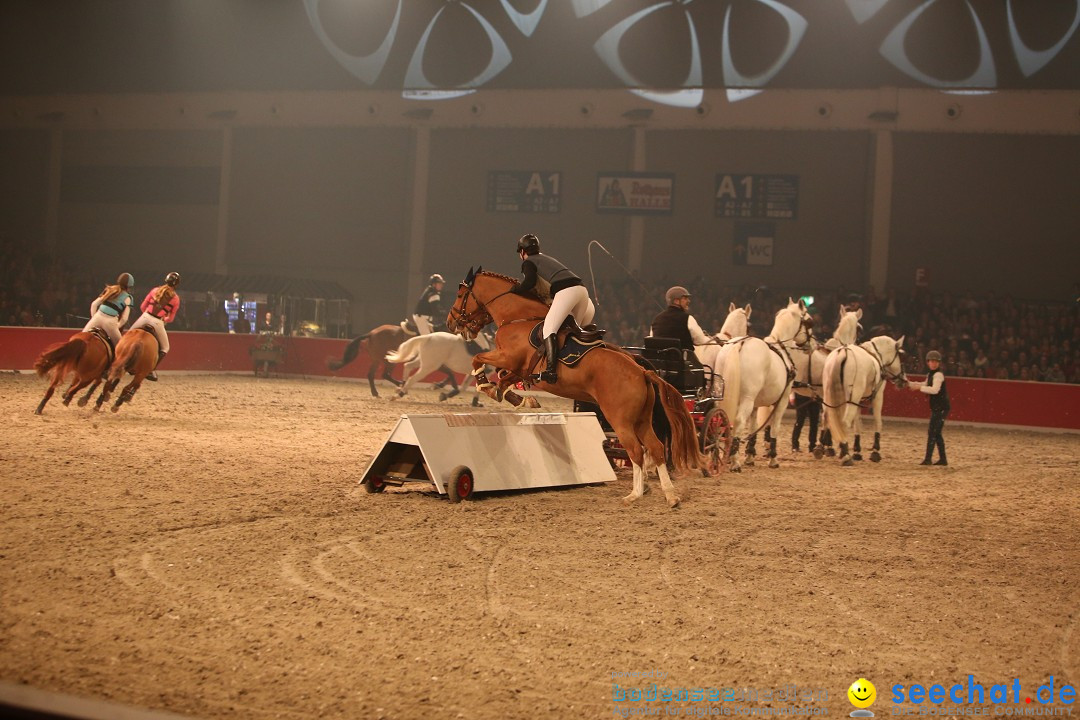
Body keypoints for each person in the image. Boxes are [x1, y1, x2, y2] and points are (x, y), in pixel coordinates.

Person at [509, 233, 595, 384]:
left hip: (567, 292)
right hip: (583, 292)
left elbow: (529, 283)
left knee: (549, 329)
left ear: (523, 251)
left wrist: (515, 289)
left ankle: (550, 371)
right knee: (570, 333)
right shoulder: (547, 259)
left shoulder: (529, 262)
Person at [129, 271, 181, 382]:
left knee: (128, 336)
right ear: (176, 285)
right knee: (165, 348)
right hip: (158, 322)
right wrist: (164, 319)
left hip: (145, 317)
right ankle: (151, 370)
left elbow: (143, 306)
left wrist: (146, 315)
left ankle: (124, 361)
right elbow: (170, 319)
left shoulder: (154, 290)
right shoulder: (176, 299)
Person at [908, 349, 950, 466]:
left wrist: (918, 388)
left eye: (935, 361)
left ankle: (929, 459)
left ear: (938, 363)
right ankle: (942, 459)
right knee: (936, 433)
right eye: (931, 361)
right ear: (928, 362)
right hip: (939, 407)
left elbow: (934, 390)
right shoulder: (932, 374)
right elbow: (925, 384)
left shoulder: (938, 375)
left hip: (940, 407)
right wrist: (912, 384)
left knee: (933, 432)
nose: (933, 363)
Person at [82, 273, 134, 351]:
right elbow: (124, 319)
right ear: (129, 286)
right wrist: (117, 325)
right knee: (121, 349)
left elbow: (94, 304)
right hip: (110, 322)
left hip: (98, 317)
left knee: (82, 339)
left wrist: (94, 318)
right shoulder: (128, 297)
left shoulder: (109, 289)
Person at [650, 286, 709, 351]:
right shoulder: (688, 319)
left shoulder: (656, 319)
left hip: (659, 359)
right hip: (682, 359)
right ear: (676, 301)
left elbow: (653, 339)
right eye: (685, 298)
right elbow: (700, 341)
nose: (688, 301)